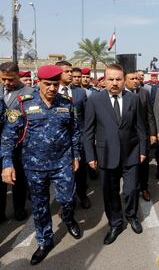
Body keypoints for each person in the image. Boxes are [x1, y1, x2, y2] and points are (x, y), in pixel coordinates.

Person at [1, 65, 82, 265]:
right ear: (39, 83)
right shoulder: (23, 104)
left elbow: (74, 132)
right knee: (40, 206)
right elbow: (8, 137)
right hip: (34, 166)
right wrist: (7, 164)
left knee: (68, 199)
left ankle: (69, 217)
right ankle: (45, 240)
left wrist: (76, 156)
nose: (52, 88)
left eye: (55, 84)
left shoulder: (67, 103)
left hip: (62, 163)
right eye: (47, 84)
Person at [84, 64, 146, 244]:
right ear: (104, 80)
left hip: (131, 153)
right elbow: (88, 131)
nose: (115, 83)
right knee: (110, 193)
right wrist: (90, 156)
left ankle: (132, 216)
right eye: (110, 79)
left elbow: (140, 127)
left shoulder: (133, 99)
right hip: (105, 155)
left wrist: (142, 150)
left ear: (123, 80)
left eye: (118, 79)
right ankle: (116, 223)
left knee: (131, 190)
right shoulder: (95, 100)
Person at [0, 62, 34, 222]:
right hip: (2, 143)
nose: (7, 83)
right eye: (3, 79)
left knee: (19, 179)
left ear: (18, 75)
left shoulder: (30, 93)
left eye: (10, 79)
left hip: (19, 144)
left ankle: (19, 208)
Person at [56, 61, 91, 209]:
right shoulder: (51, 90)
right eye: (67, 71)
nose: (70, 74)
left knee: (80, 171)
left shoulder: (80, 92)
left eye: (71, 71)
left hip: (78, 139)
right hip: (57, 140)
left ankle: (82, 195)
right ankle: (64, 202)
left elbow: (87, 117)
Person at [125, 71, 157, 201]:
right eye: (132, 79)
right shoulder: (121, 94)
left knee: (143, 164)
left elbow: (150, 114)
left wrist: (153, 133)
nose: (135, 81)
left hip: (143, 135)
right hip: (127, 137)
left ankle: (144, 188)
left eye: (137, 79)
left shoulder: (144, 93)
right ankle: (130, 190)